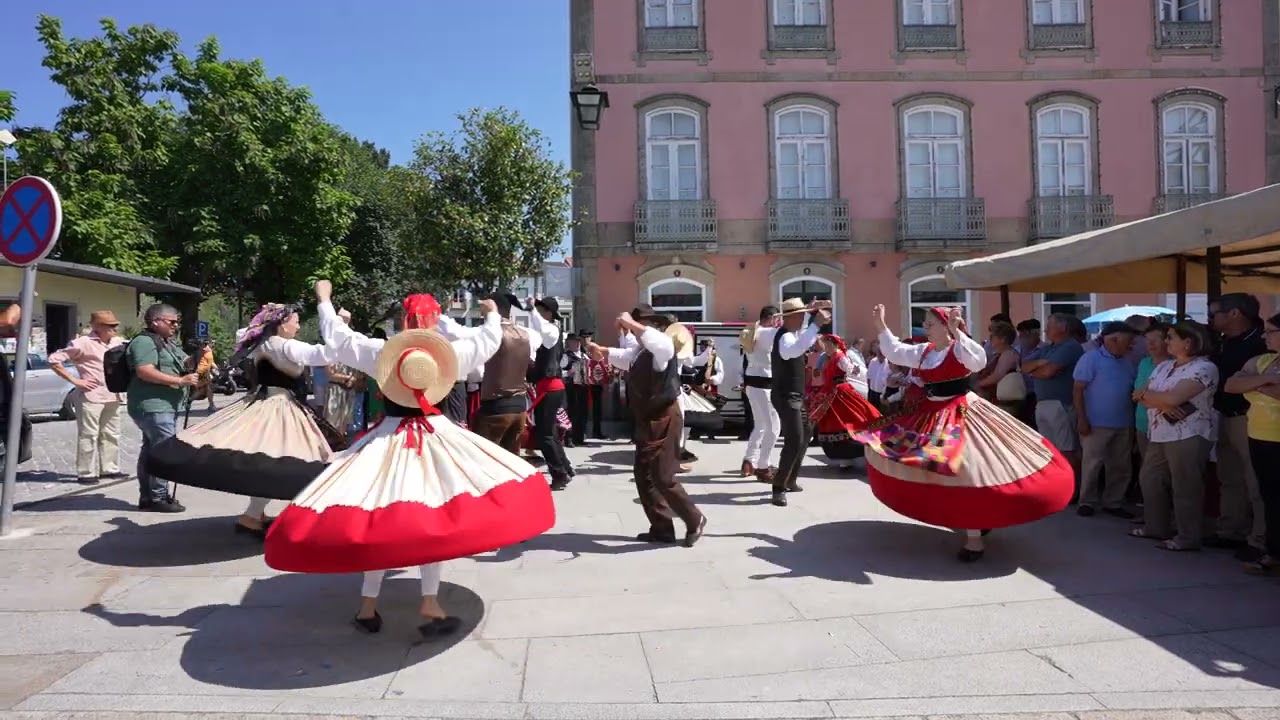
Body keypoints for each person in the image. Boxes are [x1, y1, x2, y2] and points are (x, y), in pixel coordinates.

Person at [266, 281, 555, 638]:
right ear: (435, 323)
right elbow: (486, 342)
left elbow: (339, 339)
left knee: (376, 521)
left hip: (388, 438)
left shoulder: (383, 351)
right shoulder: (450, 354)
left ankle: (368, 604)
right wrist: (493, 315)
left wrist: (324, 300)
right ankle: (429, 601)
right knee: (431, 520)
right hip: (436, 436)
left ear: (403, 321)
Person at [856, 305, 1074, 562]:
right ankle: (962, 520)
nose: (925, 327)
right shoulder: (923, 352)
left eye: (930, 323)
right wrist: (881, 325)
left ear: (946, 325)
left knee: (969, 471)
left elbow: (977, 360)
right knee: (921, 462)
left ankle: (974, 538)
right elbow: (895, 351)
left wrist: (957, 332)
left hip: (962, 413)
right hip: (930, 414)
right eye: (925, 323)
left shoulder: (958, 348)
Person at [147, 303, 340, 537]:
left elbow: (245, 332)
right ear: (281, 324)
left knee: (264, 462)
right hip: (280, 409)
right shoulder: (288, 347)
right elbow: (326, 353)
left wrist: (266, 315)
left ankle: (255, 514)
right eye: (295, 320)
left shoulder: (260, 342)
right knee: (281, 463)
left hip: (261, 404)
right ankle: (258, 516)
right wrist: (338, 323)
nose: (298, 325)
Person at [584, 306, 706, 546]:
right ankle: (662, 528)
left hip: (664, 417)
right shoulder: (641, 352)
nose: (636, 330)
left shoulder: (663, 346)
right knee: (644, 475)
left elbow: (662, 345)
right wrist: (604, 351)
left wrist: (630, 324)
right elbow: (626, 356)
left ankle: (694, 518)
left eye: (640, 325)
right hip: (648, 418)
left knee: (662, 476)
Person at [1130, 321, 1219, 552]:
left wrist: (1160, 399)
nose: (1166, 342)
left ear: (1188, 342)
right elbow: (1137, 394)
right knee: (1150, 479)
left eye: (1170, 337)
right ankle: (1156, 527)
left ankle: (1188, 536)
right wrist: (1164, 402)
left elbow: (1169, 398)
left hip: (1189, 434)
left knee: (1185, 485)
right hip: (1160, 432)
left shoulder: (1204, 367)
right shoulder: (1163, 367)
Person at [1207, 293, 1268, 561]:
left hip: (1251, 417)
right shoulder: (1224, 342)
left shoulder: (1263, 342)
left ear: (1234, 314)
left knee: (1256, 481)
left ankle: (1260, 539)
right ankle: (1231, 530)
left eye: (1214, 314)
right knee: (1229, 477)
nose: (1210, 319)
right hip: (1226, 415)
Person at [1222, 311, 1280, 575]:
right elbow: (1231, 385)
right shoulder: (1263, 360)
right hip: (1259, 437)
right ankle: (1274, 553)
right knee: (1270, 497)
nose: (1265, 336)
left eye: (1271, 331)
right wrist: (1267, 380)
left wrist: (1252, 384)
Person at [128, 303, 200, 513]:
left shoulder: (166, 342)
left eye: (177, 322)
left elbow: (185, 362)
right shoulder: (144, 342)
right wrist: (180, 381)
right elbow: (144, 371)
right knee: (164, 450)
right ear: (156, 321)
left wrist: (200, 353)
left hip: (164, 406)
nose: (176, 326)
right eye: (172, 322)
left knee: (151, 450)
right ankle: (159, 497)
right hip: (152, 406)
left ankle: (148, 497)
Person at [49, 310, 126, 485]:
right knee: (89, 434)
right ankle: (86, 472)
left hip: (113, 394)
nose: (115, 329)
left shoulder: (117, 342)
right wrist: (76, 381)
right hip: (91, 395)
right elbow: (54, 360)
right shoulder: (82, 343)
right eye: (110, 326)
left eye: (115, 325)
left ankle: (109, 468)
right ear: (97, 327)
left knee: (111, 434)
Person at [1073, 322, 1140, 519]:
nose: (1132, 346)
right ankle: (1087, 502)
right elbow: (1078, 390)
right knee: (1092, 464)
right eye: (1129, 341)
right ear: (1113, 340)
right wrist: (1082, 419)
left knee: (1120, 466)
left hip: (1124, 422)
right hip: (1096, 423)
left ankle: (1113, 501)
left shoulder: (1128, 362)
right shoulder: (1090, 359)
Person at [769, 298, 832, 507]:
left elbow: (803, 336)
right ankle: (778, 487)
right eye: (801, 315)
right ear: (792, 317)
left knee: (806, 434)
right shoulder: (785, 338)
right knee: (795, 439)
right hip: (786, 397)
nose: (803, 318)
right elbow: (795, 349)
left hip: (795, 396)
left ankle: (790, 479)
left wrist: (813, 310)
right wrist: (816, 324)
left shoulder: (793, 333)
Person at [470, 290, 546, 454]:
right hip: (519, 408)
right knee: (511, 462)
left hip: (495, 408)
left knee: (485, 462)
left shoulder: (486, 334)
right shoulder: (530, 334)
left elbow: (476, 373)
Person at [1021, 313, 1086, 494]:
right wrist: (1040, 364)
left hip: (1061, 404)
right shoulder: (1049, 348)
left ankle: (1073, 489)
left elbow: (1048, 372)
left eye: (1050, 325)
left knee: (1067, 450)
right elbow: (1024, 367)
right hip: (1044, 403)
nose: (1046, 329)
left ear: (1063, 328)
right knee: (1050, 450)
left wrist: (1037, 369)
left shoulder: (1070, 347)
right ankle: (1057, 486)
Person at [808, 334, 879, 468]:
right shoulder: (828, 358)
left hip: (840, 393)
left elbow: (851, 370)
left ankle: (857, 453)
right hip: (829, 393)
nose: (826, 348)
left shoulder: (840, 357)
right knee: (833, 424)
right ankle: (844, 458)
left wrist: (855, 369)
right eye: (825, 345)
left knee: (848, 421)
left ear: (836, 345)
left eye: (828, 345)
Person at [526, 296, 575, 491]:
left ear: (548, 313)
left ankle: (559, 474)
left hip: (550, 387)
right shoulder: (547, 333)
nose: (536, 313)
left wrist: (530, 310)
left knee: (544, 434)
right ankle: (566, 468)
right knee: (550, 433)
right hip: (548, 386)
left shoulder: (551, 330)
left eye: (540, 310)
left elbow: (539, 325)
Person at [739, 306, 782, 479]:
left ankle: (749, 461)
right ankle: (764, 465)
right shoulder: (766, 333)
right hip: (764, 384)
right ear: (771, 317)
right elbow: (791, 335)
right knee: (774, 426)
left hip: (753, 383)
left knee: (761, 425)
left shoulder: (752, 331)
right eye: (776, 318)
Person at [686, 338, 725, 441]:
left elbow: (720, 374)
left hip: (710, 388)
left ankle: (711, 433)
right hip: (697, 388)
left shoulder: (716, 359)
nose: (702, 347)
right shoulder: (697, 358)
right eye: (701, 346)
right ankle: (695, 433)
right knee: (696, 410)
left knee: (711, 409)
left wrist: (711, 380)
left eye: (705, 346)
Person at [562, 333, 589, 446]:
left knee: (583, 413)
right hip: (571, 388)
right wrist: (567, 373)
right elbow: (558, 371)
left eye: (578, 341)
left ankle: (580, 437)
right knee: (572, 412)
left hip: (584, 387)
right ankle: (569, 438)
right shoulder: (565, 356)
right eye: (574, 341)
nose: (577, 344)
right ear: (569, 343)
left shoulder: (585, 355)